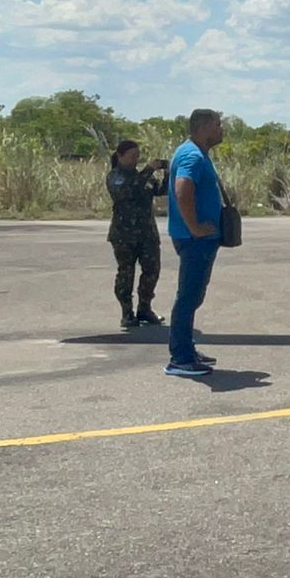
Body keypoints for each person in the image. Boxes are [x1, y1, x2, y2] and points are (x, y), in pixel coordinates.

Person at [165, 108, 225, 377]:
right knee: (188, 296)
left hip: (197, 237)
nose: (221, 130)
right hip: (194, 239)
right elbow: (183, 188)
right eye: (218, 125)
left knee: (193, 295)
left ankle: (186, 347)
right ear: (204, 127)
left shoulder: (196, 152)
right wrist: (195, 227)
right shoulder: (191, 155)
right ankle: (180, 358)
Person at [106, 140, 167, 329]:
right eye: (132, 156)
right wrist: (148, 169)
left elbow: (160, 191)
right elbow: (127, 191)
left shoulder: (142, 176)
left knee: (152, 270)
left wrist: (167, 172)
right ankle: (127, 312)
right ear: (120, 156)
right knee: (126, 272)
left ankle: (145, 308)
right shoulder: (116, 176)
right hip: (124, 234)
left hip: (147, 232)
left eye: (137, 156)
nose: (135, 160)